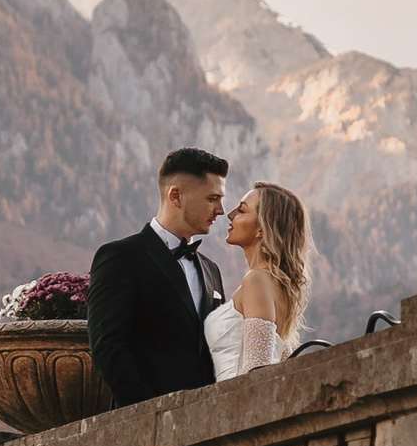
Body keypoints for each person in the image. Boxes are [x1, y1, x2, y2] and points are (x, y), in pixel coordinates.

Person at [86, 148, 229, 406]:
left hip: (207, 424)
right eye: (212, 198)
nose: (221, 210)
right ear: (176, 196)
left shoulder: (212, 271)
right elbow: (107, 347)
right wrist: (149, 414)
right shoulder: (120, 257)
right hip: (145, 427)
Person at [206, 182, 312, 380]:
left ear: (261, 229)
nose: (230, 214)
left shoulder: (256, 280)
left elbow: (257, 370)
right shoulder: (273, 283)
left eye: (242, 210)